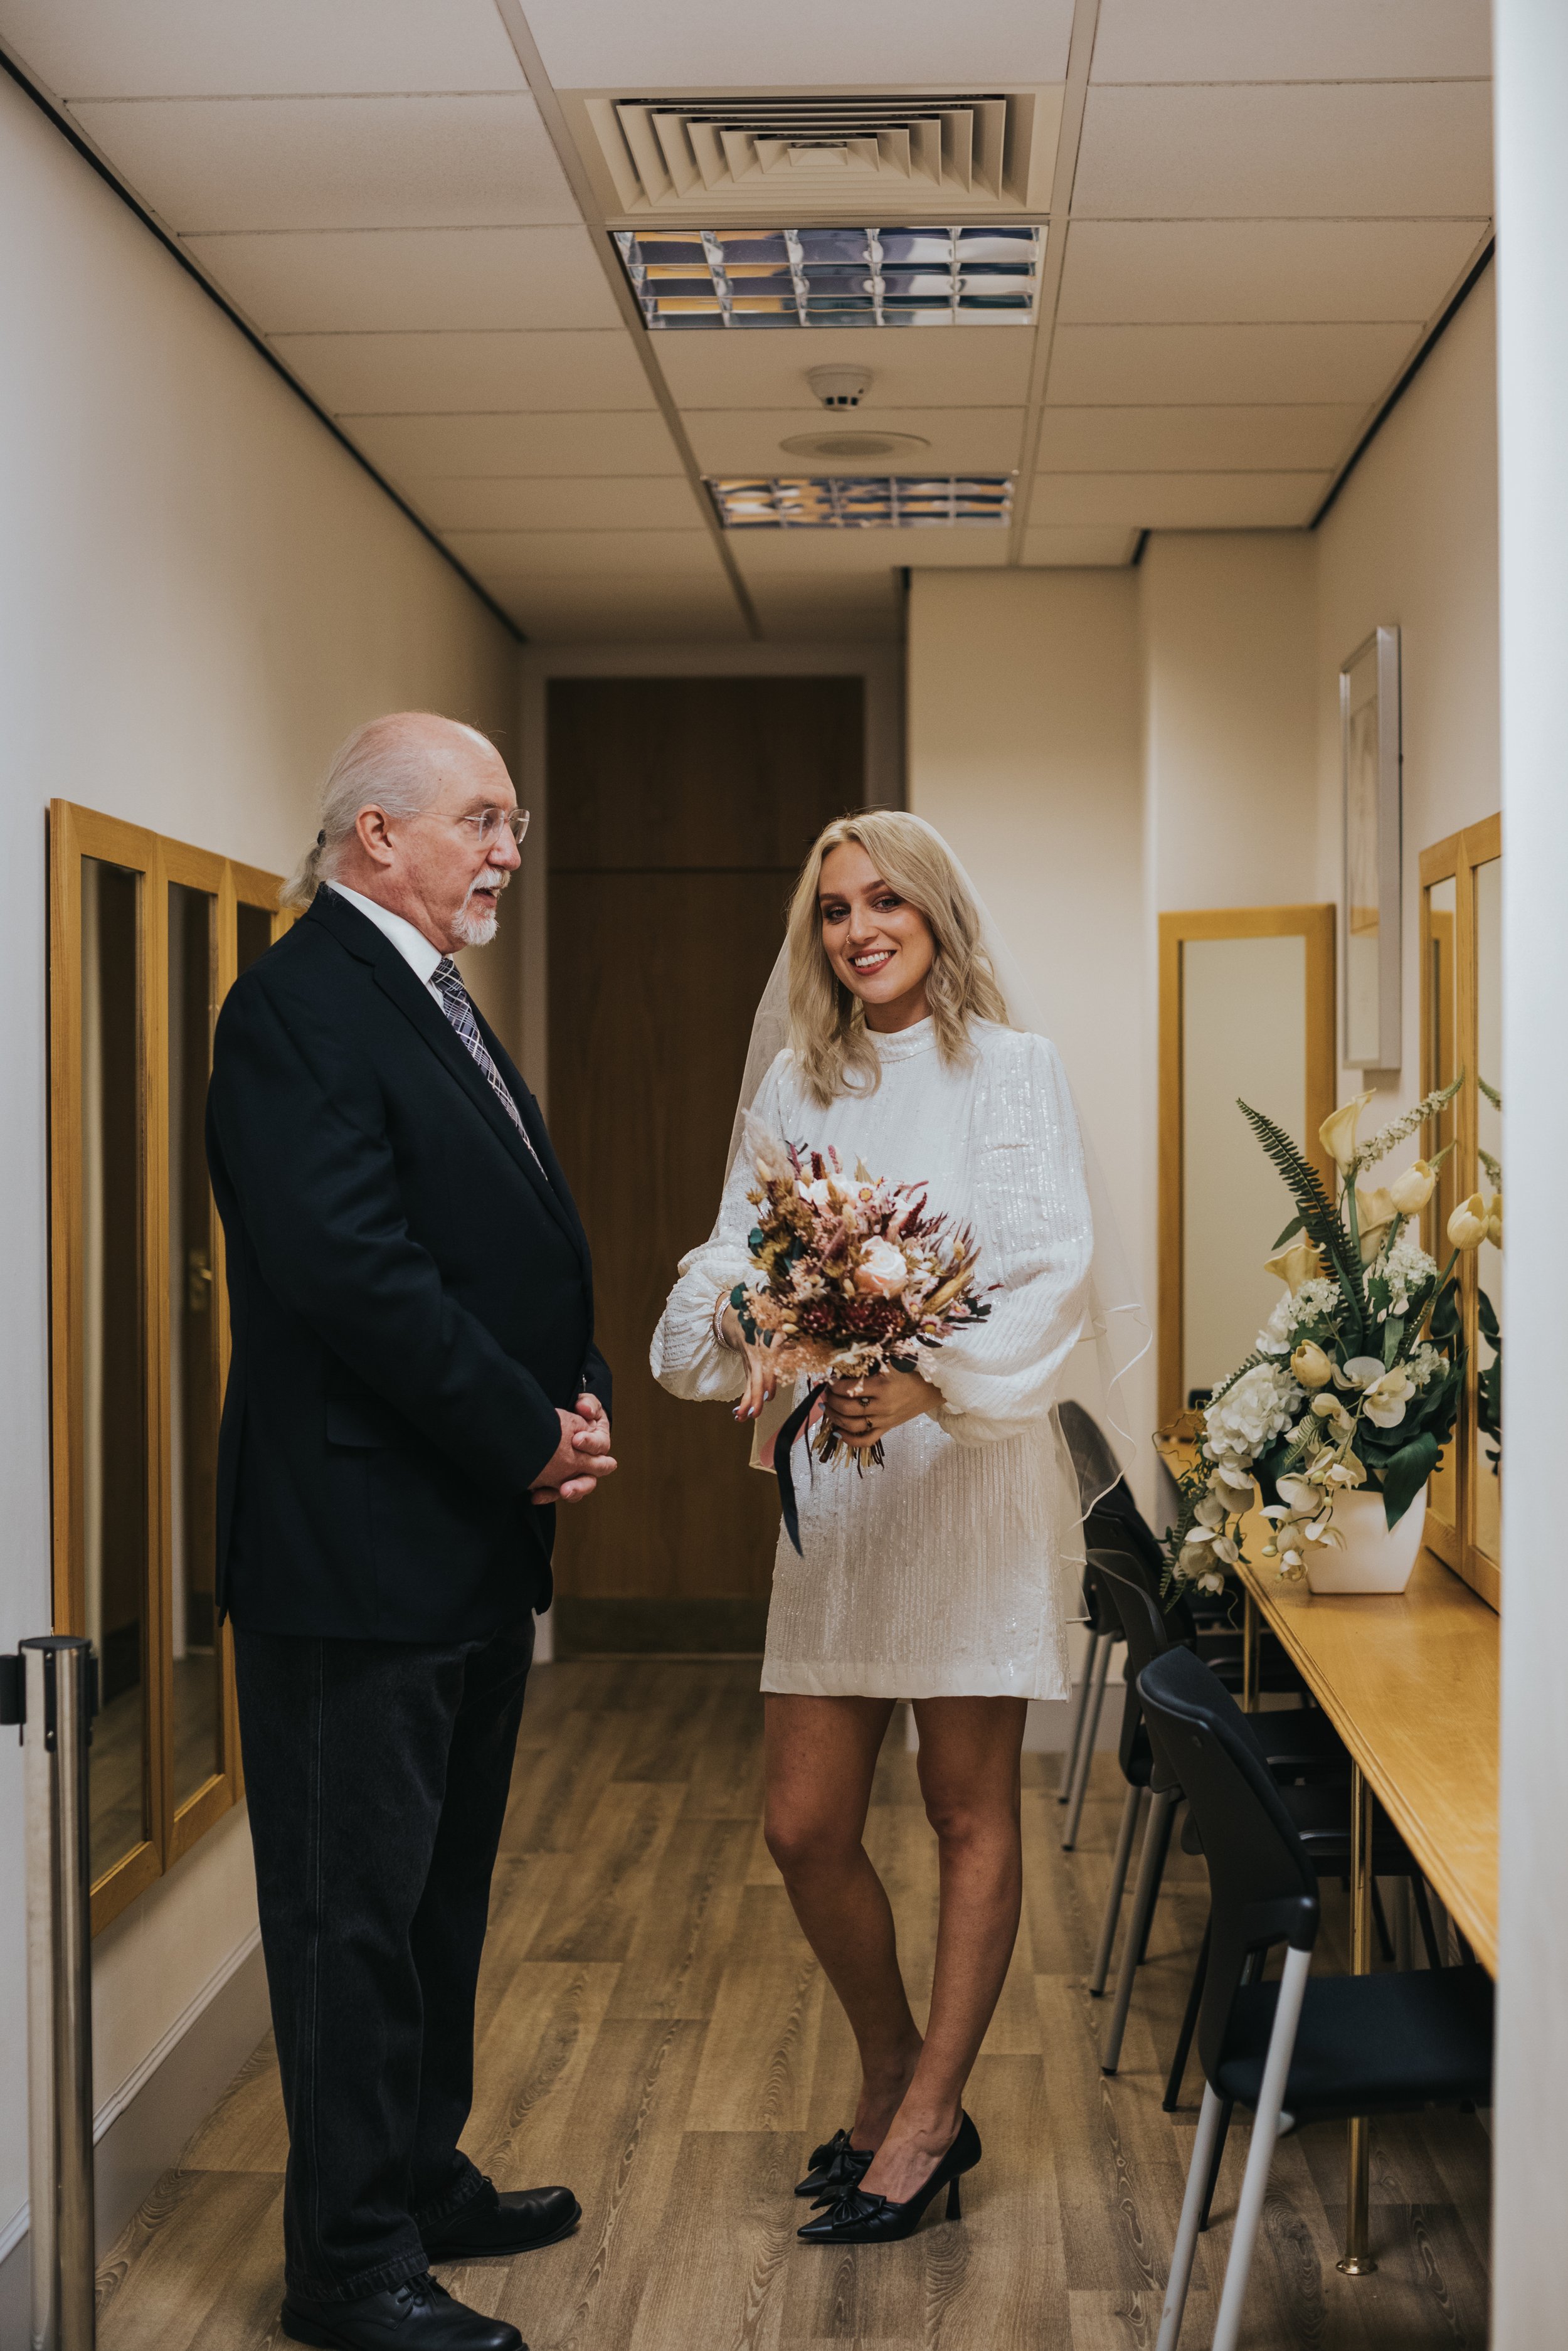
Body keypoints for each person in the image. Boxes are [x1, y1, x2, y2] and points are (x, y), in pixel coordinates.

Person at [207, 713, 615, 2351]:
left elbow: (502, 1234)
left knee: (439, 1899)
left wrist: (564, 1394)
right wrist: (525, 1429)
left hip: (454, 1542)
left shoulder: (426, 994)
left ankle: (420, 2169)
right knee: (348, 1916)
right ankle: (349, 2260)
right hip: (353, 1553)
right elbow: (355, 1275)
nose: (507, 848)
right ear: (376, 834)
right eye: (482, 819)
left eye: (510, 820)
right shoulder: (299, 1005)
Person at [652, 810, 1117, 2244]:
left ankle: (924, 2118)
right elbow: (732, 1250)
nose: (858, 928)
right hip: (841, 1499)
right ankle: (885, 2065)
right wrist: (749, 1312)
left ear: (935, 913)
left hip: (965, 1478)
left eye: (883, 901)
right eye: (834, 909)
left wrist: (924, 1380)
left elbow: (1048, 1271)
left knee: (965, 1808)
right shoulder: (798, 1082)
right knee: (801, 1825)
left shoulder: (1012, 1073)